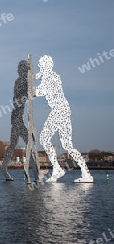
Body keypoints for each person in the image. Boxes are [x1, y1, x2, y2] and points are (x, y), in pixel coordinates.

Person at [35, 55, 93, 183]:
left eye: (41, 65)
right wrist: (33, 76)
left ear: (46, 66)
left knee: (44, 139)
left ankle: (57, 169)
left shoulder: (51, 78)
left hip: (59, 110)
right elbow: (39, 78)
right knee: (67, 145)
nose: (39, 67)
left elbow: (38, 91)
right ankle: (86, 173)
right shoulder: (51, 75)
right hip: (63, 110)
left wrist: (27, 87)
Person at [1, 60, 28, 181]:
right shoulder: (21, 81)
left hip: (17, 117)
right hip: (17, 117)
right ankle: (35, 172)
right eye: (26, 69)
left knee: (13, 144)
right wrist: (29, 93)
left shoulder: (22, 81)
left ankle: (3, 168)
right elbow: (20, 98)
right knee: (30, 143)